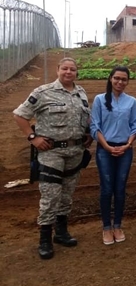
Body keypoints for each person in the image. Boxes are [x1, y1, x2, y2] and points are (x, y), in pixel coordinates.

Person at [13, 57, 93, 259]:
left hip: (75, 152)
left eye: (72, 69)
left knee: (66, 195)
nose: (68, 72)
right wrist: (33, 138)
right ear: (58, 70)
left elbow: (85, 119)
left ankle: (62, 232)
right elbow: (20, 115)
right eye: (64, 68)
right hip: (51, 153)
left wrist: (88, 134)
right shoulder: (42, 92)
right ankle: (45, 239)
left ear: (77, 72)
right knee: (50, 197)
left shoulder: (81, 93)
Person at [90, 66, 136, 245]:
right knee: (106, 188)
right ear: (110, 79)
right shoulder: (99, 100)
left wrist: (127, 144)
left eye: (124, 79)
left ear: (127, 81)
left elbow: (135, 126)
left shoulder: (131, 101)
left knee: (120, 188)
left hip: (125, 150)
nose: (120, 82)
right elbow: (95, 126)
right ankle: (106, 227)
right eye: (117, 78)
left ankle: (117, 225)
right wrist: (107, 147)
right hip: (105, 149)